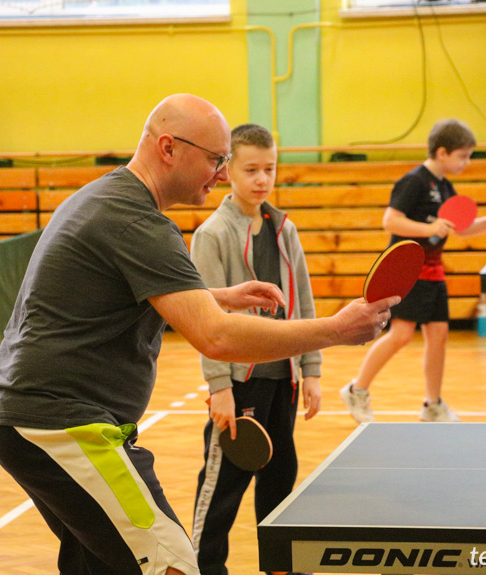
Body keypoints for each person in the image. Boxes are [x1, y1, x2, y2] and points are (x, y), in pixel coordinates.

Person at [0, 93, 399, 575]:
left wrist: (216, 296)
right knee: (171, 564)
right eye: (215, 159)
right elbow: (217, 338)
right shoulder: (136, 220)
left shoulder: (106, 198)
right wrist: (335, 329)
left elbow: (122, 297)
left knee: (98, 565)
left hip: (29, 418)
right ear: (168, 147)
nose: (221, 173)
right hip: (61, 424)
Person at [189, 124, 320, 575]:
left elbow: (302, 301)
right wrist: (218, 385)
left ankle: (280, 567)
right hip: (238, 387)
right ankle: (201, 569)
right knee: (221, 488)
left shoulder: (285, 228)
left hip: (281, 379)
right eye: (251, 169)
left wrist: (311, 369)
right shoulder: (212, 234)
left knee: (281, 481)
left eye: (270, 168)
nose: (262, 179)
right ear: (227, 172)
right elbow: (204, 317)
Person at [339, 119, 486, 424]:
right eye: (463, 156)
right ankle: (357, 390)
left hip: (433, 271)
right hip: (407, 270)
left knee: (439, 335)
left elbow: (460, 228)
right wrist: (428, 227)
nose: (467, 162)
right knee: (402, 335)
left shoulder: (445, 186)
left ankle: (432, 404)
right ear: (442, 152)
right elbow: (391, 221)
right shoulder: (414, 181)